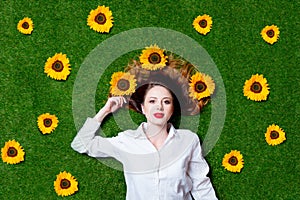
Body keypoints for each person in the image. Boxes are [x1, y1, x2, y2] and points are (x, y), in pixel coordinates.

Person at [71, 48, 218, 199]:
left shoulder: (188, 140)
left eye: (166, 102)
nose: (159, 107)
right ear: (143, 108)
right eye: (152, 101)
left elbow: (201, 185)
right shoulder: (127, 141)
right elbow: (80, 144)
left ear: (172, 109)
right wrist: (105, 111)